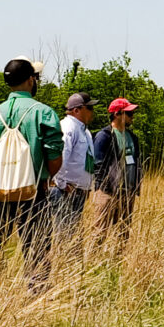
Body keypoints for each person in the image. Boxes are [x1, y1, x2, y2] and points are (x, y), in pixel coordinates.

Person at [0, 57, 66, 293]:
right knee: (37, 249)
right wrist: (44, 177)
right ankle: (36, 296)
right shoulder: (44, 113)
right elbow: (54, 159)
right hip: (33, 192)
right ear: (31, 80)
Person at [85, 98, 144, 261]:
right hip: (108, 192)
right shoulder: (104, 136)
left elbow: (136, 161)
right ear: (117, 114)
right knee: (100, 231)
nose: (133, 116)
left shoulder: (132, 137)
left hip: (128, 191)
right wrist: (104, 187)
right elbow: (98, 165)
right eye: (129, 113)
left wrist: (135, 187)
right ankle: (92, 263)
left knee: (123, 232)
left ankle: (117, 263)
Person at [51, 92, 99, 252]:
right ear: (77, 110)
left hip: (78, 191)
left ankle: (68, 268)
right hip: (67, 191)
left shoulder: (84, 130)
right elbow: (61, 156)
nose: (92, 111)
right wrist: (62, 184)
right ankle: (61, 268)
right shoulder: (68, 127)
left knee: (72, 234)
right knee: (64, 234)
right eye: (89, 108)